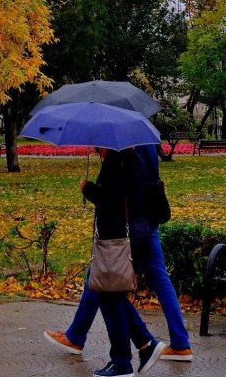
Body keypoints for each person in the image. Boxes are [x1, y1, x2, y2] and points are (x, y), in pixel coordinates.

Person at [44, 143, 193, 363]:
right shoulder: (144, 138)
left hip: (130, 224)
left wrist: (91, 187)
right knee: (153, 279)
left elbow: (116, 191)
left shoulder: (124, 148)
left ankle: (103, 343)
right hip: (147, 218)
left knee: (102, 279)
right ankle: (179, 343)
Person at [58, 147, 166, 376]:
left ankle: (122, 363)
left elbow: (111, 200)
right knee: (112, 296)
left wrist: (88, 189)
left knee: (109, 297)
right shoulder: (131, 158)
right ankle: (145, 343)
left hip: (118, 238)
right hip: (134, 233)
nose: (97, 148)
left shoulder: (117, 161)